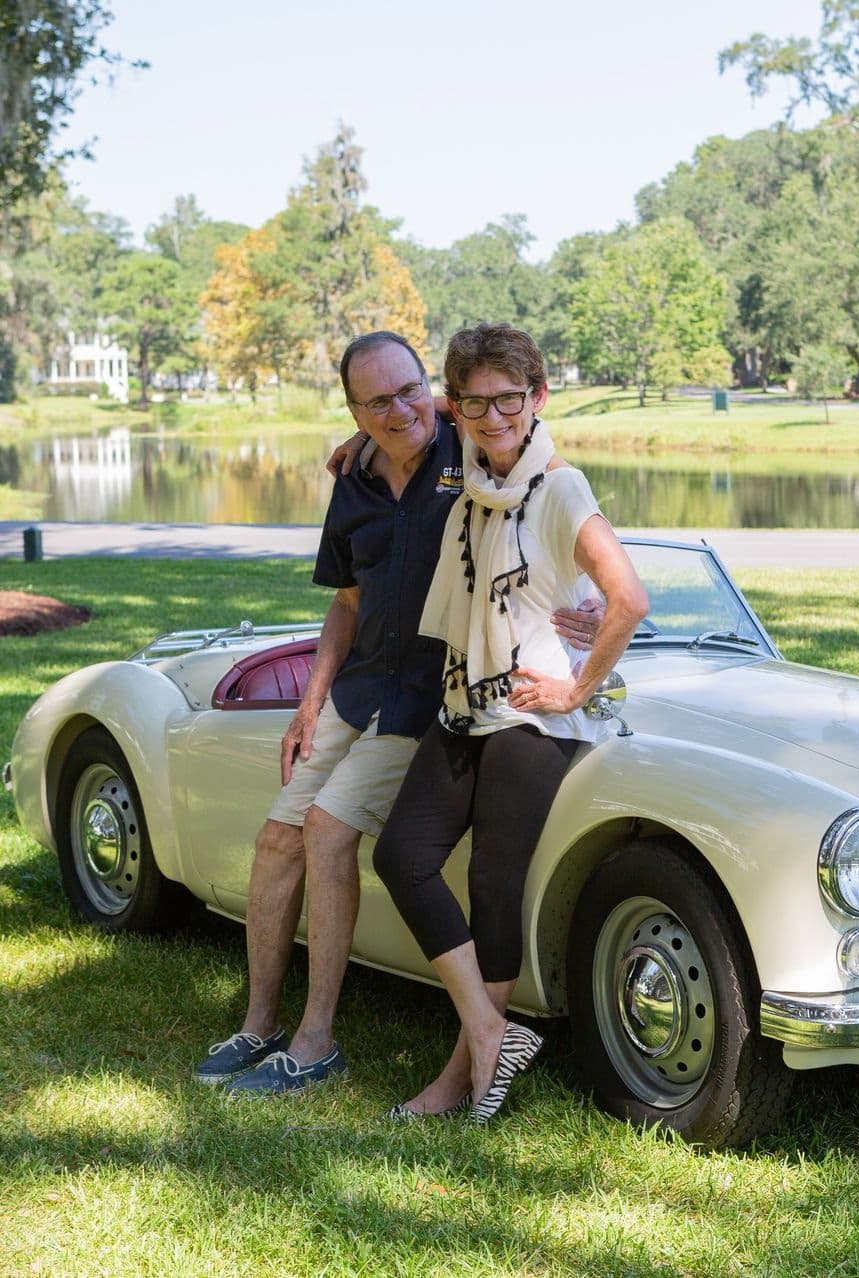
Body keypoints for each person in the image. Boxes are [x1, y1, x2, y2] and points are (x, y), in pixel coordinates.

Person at [193, 330, 598, 1095]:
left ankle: (316, 1042)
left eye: (410, 391)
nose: (399, 410)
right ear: (352, 411)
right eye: (376, 402)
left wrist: (590, 603)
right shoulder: (352, 479)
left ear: (431, 391)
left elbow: (531, 454)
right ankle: (258, 1024)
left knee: (326, 829)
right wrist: (310, 700)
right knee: (277, 838)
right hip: (358, 687)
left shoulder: (469, 446)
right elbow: (347, 603)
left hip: (430, 695)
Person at [373, 323, 648, 1124]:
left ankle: (461, 1076)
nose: (493, 417)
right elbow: (414, 415)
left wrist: (576, 689)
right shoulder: (472, 469)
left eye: (509, 400)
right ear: (456, 406)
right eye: (475, 403)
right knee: (403, 856)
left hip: (532, 711)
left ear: (539, 399)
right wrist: (355, 446)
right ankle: (492, 1032)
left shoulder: (560, 488)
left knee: (493, 879)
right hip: (466, 701)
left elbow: (627, 597)